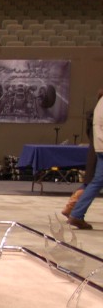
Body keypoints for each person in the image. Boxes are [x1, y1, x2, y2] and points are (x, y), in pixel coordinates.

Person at [61, 89, 101, 219]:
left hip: (96, 148)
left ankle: (74, 209)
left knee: (93, 182)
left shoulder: (96, 109)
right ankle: (74, 210)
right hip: (98, 149)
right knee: (94, 182)